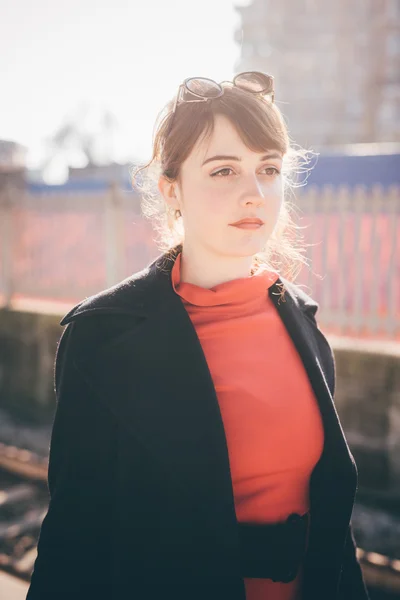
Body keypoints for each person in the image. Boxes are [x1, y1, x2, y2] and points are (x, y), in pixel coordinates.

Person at [26, 72, 369, 600]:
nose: (253, 192)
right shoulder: (103, 337)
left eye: (269, 168)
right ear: (173, 189)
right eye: (224, 170)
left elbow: (333, 530)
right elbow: (74, 538)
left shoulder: (302, 322)